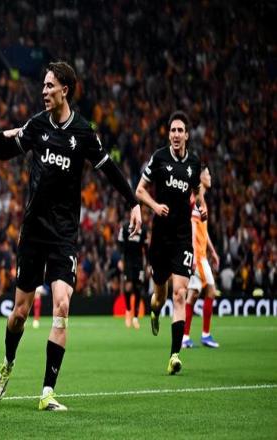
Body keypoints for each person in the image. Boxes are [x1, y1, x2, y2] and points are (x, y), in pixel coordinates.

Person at [0, 61, 141, 410]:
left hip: (64, 235)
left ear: (65, 89)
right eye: (43, 86)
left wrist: (134, 202)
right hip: (33, 232)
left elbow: (109, 169)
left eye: (50, 86)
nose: (44, 91)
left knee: (62, 305)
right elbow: (6, 147)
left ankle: (47, 391)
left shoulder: (83, 133)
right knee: (20, 313)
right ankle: (8, 362)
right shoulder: (37, 125)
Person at [136, 110, 206, 375]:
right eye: (173, 130)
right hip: (160, 238)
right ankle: (154, 310)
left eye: (180, 131)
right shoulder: (159, 157)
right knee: (160, 295)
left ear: (187, 135)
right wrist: (154, 206)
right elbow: (139, 190)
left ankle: (174, 355)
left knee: (179, 293)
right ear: (169, 135)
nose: (176, 135)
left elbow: (197, 190)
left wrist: (201, 206)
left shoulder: (194, 163)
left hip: (182, 237)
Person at [182, 166, 220, 348]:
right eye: (207, 174)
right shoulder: (196, 202)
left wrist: (213, 251)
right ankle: (205, 334)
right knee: (211, 290)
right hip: (198, 257)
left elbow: (203, 232)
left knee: (193, 295)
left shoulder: (202, 201)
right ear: (200, 178)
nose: (210, 176)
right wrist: (193, 255)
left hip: (202, 255)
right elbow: (192, 228)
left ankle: (184, 337)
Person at [117, 220, 148, 329]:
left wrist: (148, 265)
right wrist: (120, 260)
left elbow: (146, 248)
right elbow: (120, 244)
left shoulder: (143, 229)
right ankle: (128, 310)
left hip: (139, 263)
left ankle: (135, 317)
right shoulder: (125, 227)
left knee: (138, 288)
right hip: (128, 261)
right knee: (128, 286)